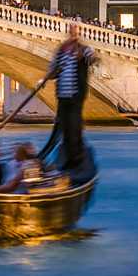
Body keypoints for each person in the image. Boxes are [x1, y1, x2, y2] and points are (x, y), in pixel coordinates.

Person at [45, 24, 96, 171]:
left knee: (74, 127)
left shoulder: (83, 49)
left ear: (78, 34)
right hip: (62, 95)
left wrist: (87, 58)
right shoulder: (60, 51)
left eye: (76, 33)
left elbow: (93, 60)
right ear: (69, 33)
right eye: (72, 32)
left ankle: (76, 160)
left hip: (75, 95)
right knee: (64, 128)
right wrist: (50, 75)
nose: (74, 35)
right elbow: (52, 72)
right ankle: (67, 159)